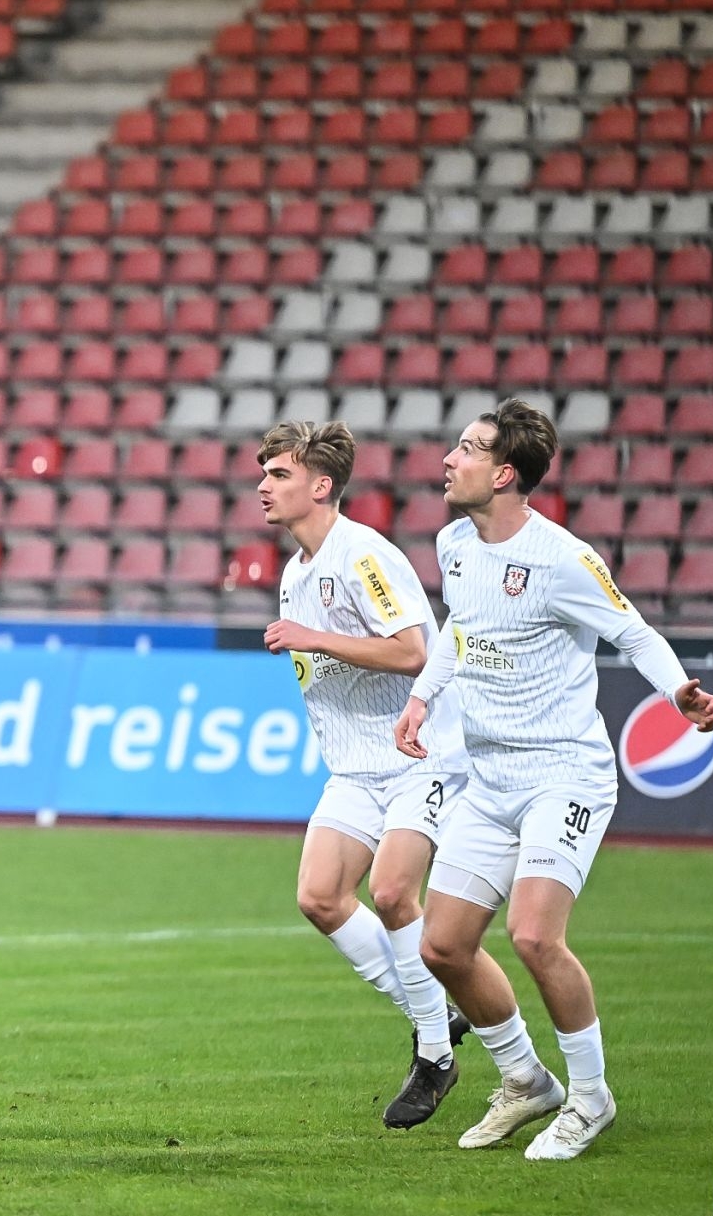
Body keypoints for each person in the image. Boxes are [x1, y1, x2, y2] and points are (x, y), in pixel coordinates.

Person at [395, 398, 713, 1160]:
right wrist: (420, 697)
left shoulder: (562, 558)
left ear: (505, 472)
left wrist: (678, 691)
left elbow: (632, 629)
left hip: (563, 775)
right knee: (441, 946)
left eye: (467, 448)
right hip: (490, 774)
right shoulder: (453, 543)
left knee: (536, 934)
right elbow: (459, 633)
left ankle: (590, 1096)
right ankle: (524, 1080)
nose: (449, 458)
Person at [256, 420, 470, 1129]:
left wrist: (314, 637)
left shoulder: (365, 556)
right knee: (319, 896)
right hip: (353, 767)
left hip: (415, 756)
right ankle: (437, 1008)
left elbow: (414, 650)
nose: (263, 485)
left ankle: (435, 1053)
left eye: (279, 474)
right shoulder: (295, 573)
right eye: (264, 472)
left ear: (321, 485)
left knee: (392, 891)